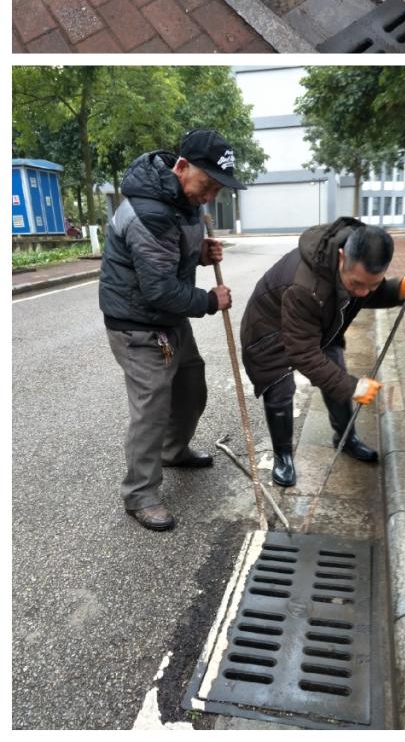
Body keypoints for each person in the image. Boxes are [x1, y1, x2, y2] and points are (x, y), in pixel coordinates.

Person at [99, 129, 248, 532]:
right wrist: (210, 300)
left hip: (167, 318)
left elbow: (170, 253)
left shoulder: (182, 199)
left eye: (218, 189)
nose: (210, 196)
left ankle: (172, 449)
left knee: (190, 387)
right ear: (182, 167)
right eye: (208, 184)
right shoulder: (150, 211)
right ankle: (139, 494)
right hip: (137, 325)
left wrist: (199, 254)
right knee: (151, 409)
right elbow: (160, 288)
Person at [239, 218, 405, 486]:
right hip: (269, 331)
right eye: (356, 284)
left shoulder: (355, 266)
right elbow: (303, 353)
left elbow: (368, 290)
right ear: (341, 257)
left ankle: (346, 438)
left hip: (318, 323)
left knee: (335, 372)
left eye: (372, 284)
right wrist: (353, 387)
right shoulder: (304, 286)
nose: (362, 292)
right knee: (280, 388)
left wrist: (398, 289)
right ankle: (283, 456)